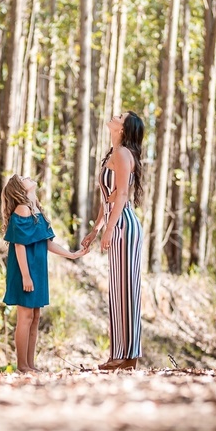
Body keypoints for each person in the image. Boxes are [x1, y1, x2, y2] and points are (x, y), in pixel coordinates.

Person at [1, 175, 88, 372]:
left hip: (37, 271)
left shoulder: (35, 209)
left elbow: (46, 242)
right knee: (25, 316)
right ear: (19, 189)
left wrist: (71, 255)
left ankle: (30, 364)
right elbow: (20, 245)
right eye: (23, 178)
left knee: (35, 316)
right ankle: (22, 366)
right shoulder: (22, 209)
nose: (28, 177)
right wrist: (25, 275)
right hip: (26, 270)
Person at [81, 111, 145, 370]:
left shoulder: (121, 155)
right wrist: (96, 228)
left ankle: (127, 355)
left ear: (124, 127)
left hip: (124, 225)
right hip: (115, 223)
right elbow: (107, 197)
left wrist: (109, 228)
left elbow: (121, 196)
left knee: (126, 289)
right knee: (118, 290)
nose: (113, 116)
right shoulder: (112, 153)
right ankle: (122, 355)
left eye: (119, 116)